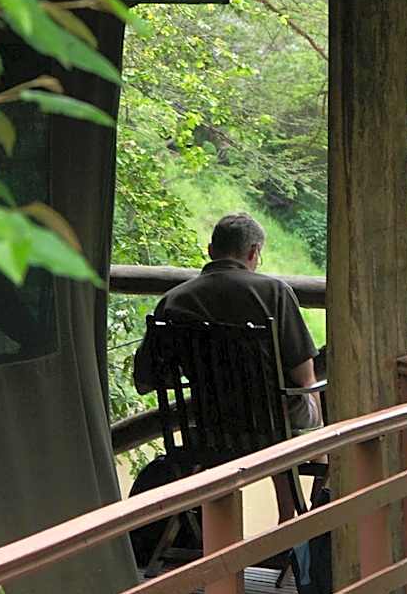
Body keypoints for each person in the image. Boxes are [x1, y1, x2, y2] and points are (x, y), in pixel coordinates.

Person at [134, 212, 322, 520]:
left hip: (210, 429)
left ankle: (217, 537)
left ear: (211, 250)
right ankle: (301, 514)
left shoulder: (173, 300)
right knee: (312, 398)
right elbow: (305, 377)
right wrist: (318, 444)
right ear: (253, 253)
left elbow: (146, 380)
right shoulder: (274, 292)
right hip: (273, 429)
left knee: (265, 417)